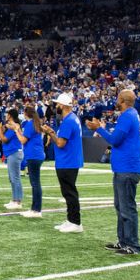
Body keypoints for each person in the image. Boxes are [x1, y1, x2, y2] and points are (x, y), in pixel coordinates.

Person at [87, 89, 140, 254]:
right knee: (121, 207)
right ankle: (124, 241)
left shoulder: (127, 116)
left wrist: (99, 128)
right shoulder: (130, 115)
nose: (115, 101)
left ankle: (132, 245)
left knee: (126, 208)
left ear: (123, 100)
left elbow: (115, 140)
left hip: (127, 168)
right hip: (124, 168)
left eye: (118, 98)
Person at [39, 93, 84, 232]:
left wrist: (50, 132)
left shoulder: (68, 121)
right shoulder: (72, 118)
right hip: (69, 160)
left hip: (67, 161)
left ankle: (75, 222)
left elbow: (60, 143)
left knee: (69, 192)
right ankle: (71, 220)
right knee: (68, 192)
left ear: (63, 106)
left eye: (58, 104)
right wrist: (52, 132)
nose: (56, 107)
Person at [19, 106, 46, 218]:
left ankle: (36, 210)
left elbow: (23, 140)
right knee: (35, 183)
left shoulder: (30, 124)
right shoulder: (34, 123)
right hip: (36, 154)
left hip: (33, 155)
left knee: (35, 183)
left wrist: (16, 130)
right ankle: (35, 209)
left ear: (26, 113)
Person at [0, 110, 25, 210]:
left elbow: (5, 139)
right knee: (12, 178)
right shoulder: (11, 125)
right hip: (11, 153)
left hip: (14, 152)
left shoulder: (14, 125)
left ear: (10, 115)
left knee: (15, 178)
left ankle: (18, 201)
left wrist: (0, 129)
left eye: (7, 114)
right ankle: (15, 199)